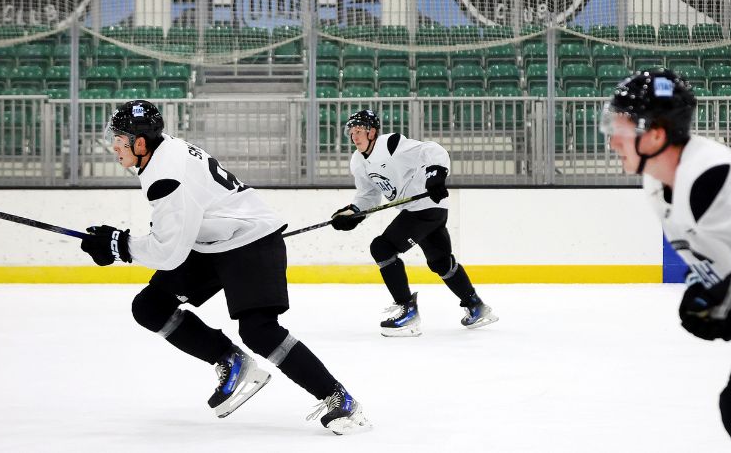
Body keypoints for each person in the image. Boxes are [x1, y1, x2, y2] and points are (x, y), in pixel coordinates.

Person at [79, 100, 370, 435]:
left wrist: (119, 245)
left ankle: (338, 397)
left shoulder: (164, 174)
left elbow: (168, 252)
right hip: (213, 242)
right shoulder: (162, 151)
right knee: (150, 306)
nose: (114, 145)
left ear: (140, 143)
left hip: (252, 239)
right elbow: (176, 235)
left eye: (120, 138)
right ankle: (230, 360)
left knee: (258, 330)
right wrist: (118, 244)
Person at [601, 69, 731, 452]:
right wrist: (704, 287)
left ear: (656, 135)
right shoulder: (658, 181)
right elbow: (719, 246)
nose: (613, 139)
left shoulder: (710, 174)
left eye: (622, 127)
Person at [330, 109, 498, 337]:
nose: (354, 137)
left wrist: (436, 173)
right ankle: (476, 306)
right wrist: (353, 213)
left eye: (359, 131)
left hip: (427, 206)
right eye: (351, 132)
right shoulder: (358, 162)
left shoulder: (389, 144)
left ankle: (407, 310)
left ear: (372, 132)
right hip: (421, 210)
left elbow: (432, 150)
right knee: (440, 263)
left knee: (382, 247)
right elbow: (368, 195)